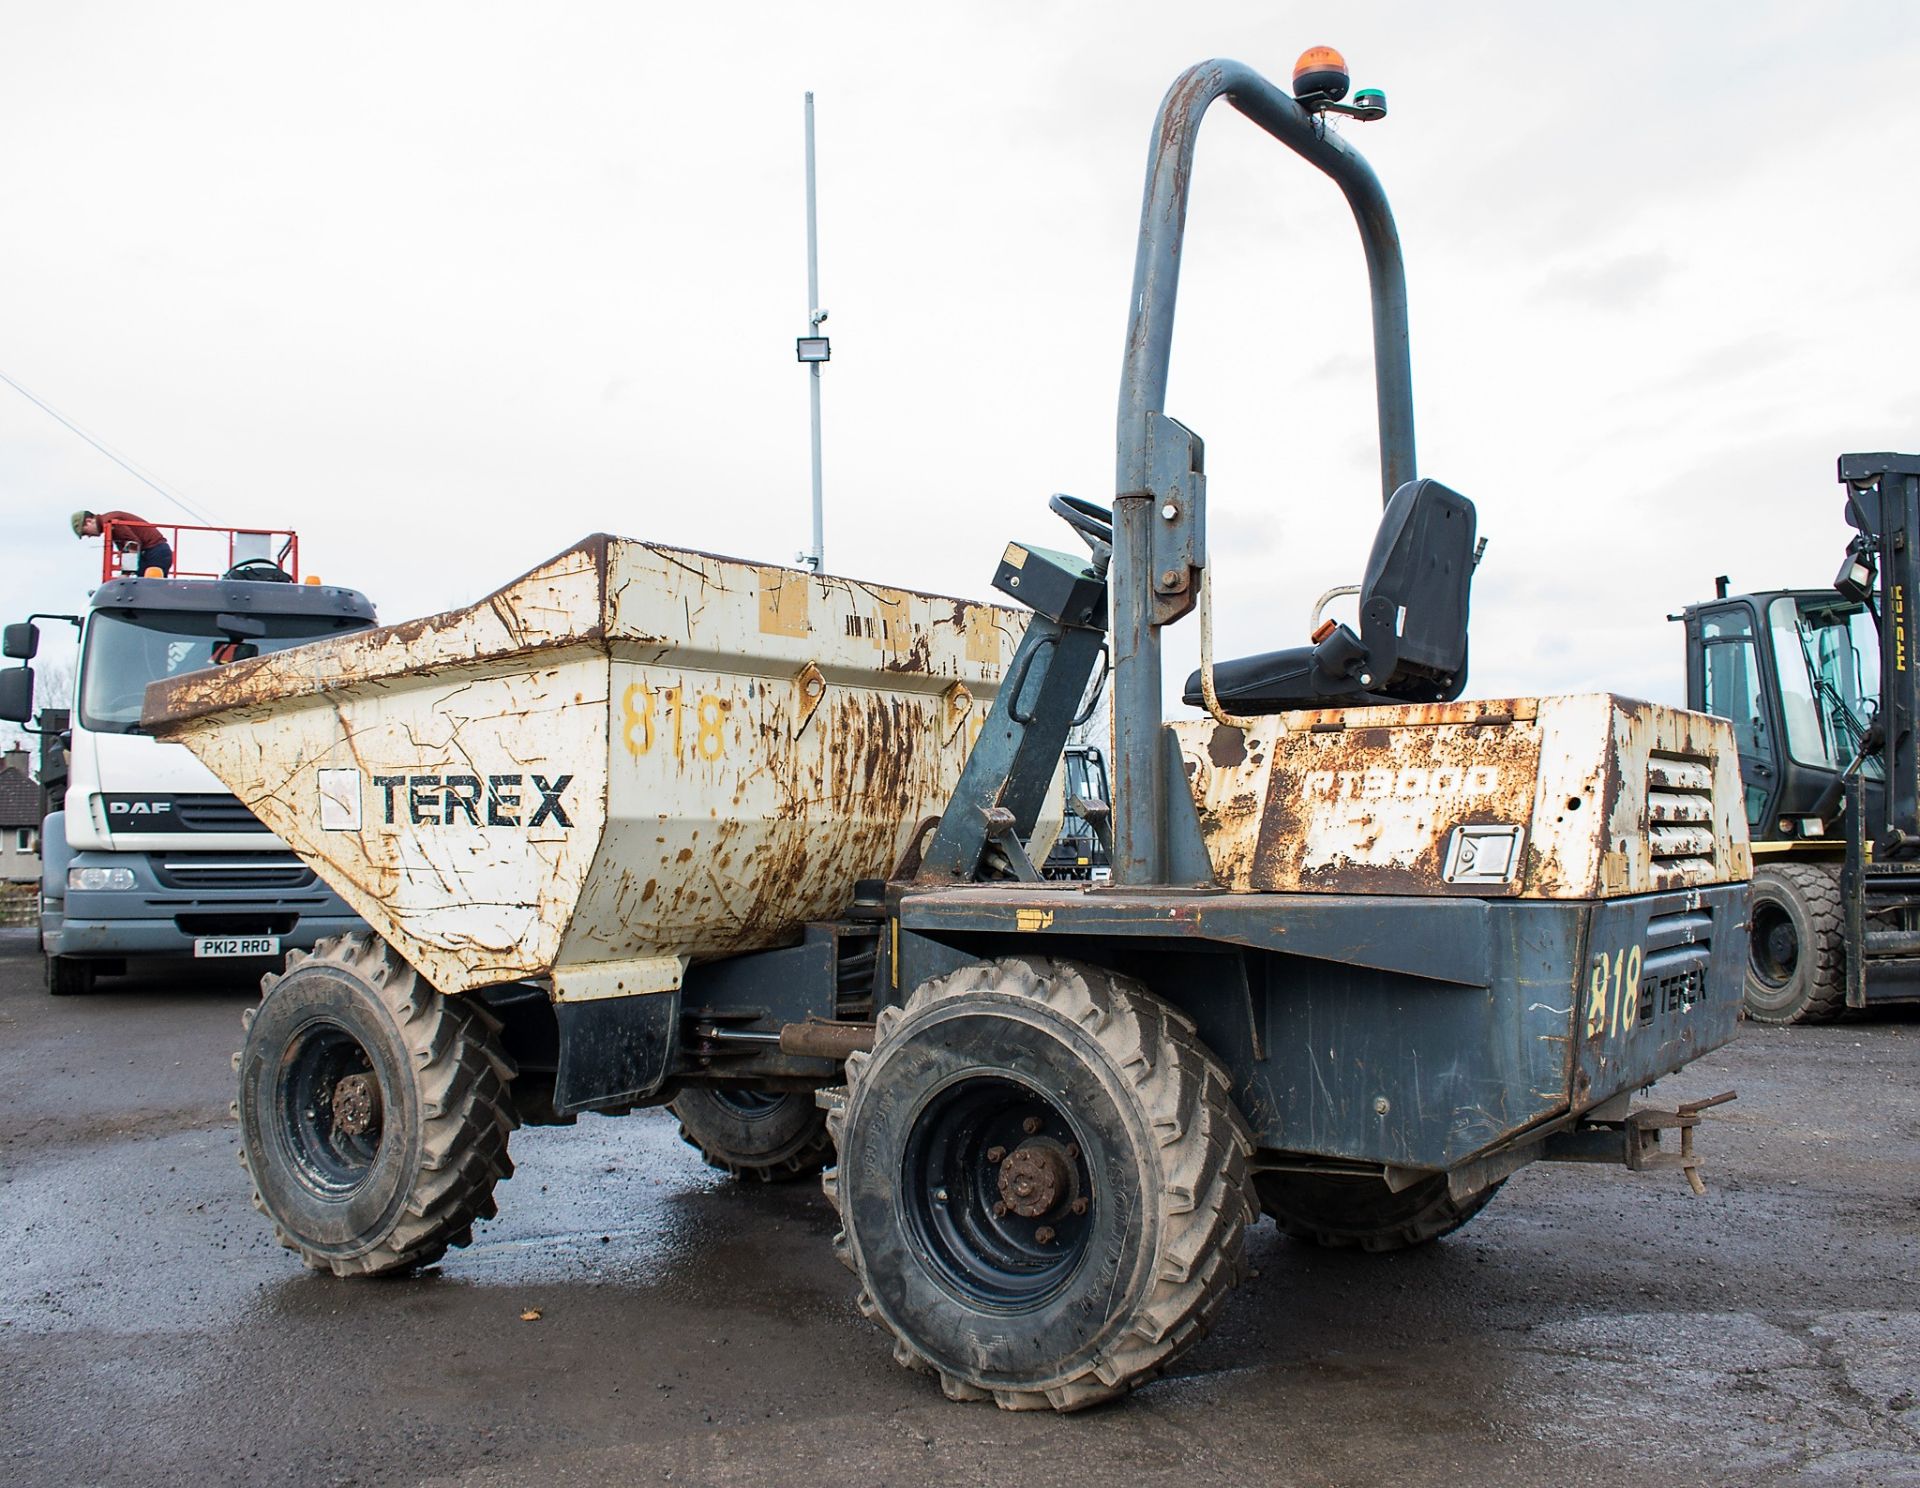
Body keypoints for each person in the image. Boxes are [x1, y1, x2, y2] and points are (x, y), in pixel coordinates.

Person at [72, 509, 173, 576]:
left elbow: (132, 544)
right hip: (152, 552)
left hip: (155, 553)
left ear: (89, 521)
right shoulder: (109, 522)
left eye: (85, 533)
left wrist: (126, 573)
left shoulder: (111, 523)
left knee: (149, 588)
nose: (89, 536)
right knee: (142, 586)